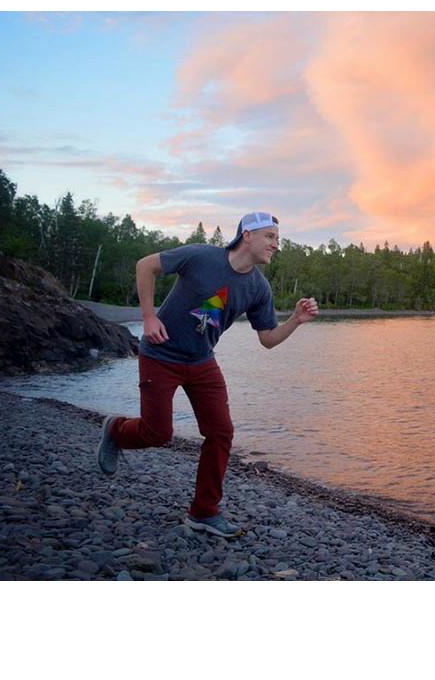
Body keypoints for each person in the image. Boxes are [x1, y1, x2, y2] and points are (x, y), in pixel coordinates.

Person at [96, 211, 318, 538]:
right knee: (157, 434)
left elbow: (268, 339)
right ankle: (116, 430)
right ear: (247, 235)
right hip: (161, 354)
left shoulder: (259, 287)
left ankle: (203, 512)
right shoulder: (200, 256)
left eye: (277, 239)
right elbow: (146, 265)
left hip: (201, 362)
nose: (276, 245)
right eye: (270, 237)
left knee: (221, 432)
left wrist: (295, 321)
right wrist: (148, 317)